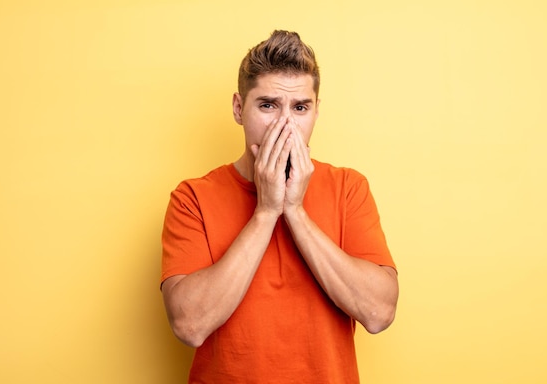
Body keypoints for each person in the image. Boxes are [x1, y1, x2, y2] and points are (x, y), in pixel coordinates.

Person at [160, 30, 399, 383]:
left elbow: (379, 313)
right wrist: (267, 210)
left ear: (317, 111)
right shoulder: (192, 197)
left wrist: (295, 210)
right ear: (239, 109)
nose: (285, 125)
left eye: (299, 108)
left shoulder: (349, 188)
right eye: (268, 105)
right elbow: (189, 325)